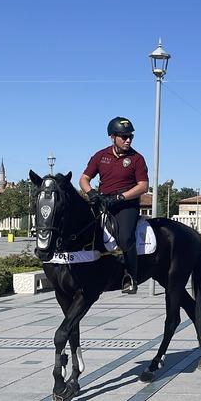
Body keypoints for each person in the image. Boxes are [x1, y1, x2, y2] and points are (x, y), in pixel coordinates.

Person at [80, 117, 149, 294]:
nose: (128, 140)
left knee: (125, 237)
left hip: (126, 204)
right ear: (112, 137)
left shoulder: (137, 158)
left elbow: (143, 186)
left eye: (130, 137)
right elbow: (84, 178)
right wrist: (91, 192)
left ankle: (131, 277)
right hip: (103, 202)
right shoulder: (100, 156)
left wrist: (121, 197)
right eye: (124, 136)